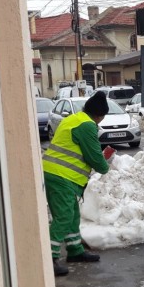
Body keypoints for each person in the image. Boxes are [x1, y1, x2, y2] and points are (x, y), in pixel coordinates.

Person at [42, 90, 115, 277]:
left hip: (58, 174)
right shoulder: (86, 125)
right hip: (61, 176)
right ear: (99, 116)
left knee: (72, 214)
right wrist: (105, 163)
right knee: (64, 216)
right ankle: (49, 258)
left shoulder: (73, 119)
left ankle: (75, 251)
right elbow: (94, 158)